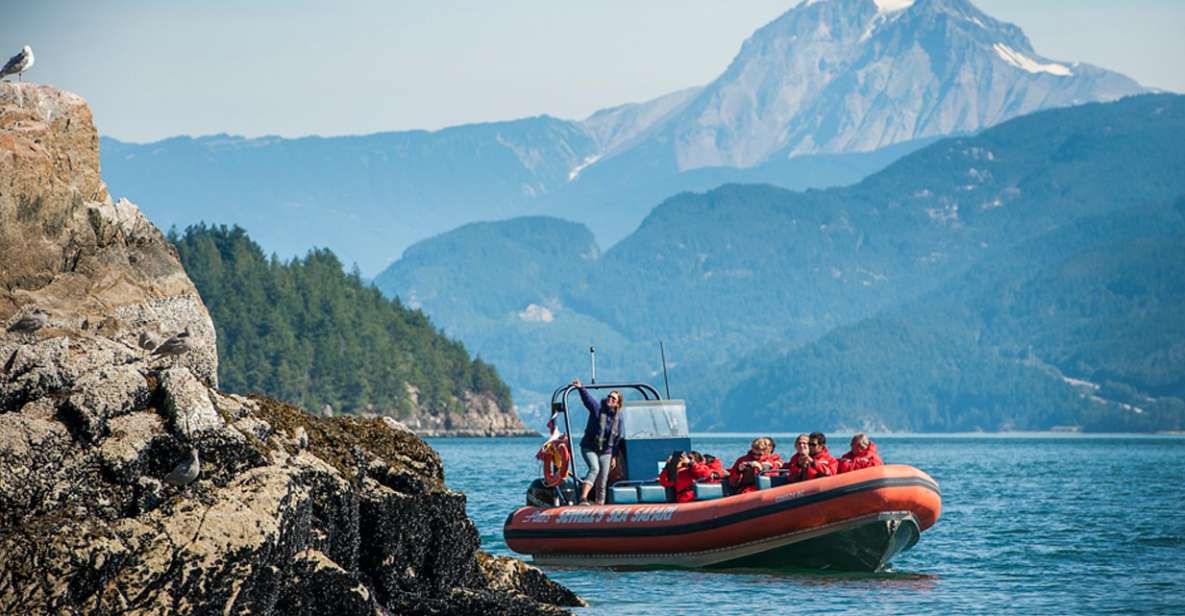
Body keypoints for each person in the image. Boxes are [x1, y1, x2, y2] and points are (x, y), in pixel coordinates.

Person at [572, 378, 623, 505]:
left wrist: (614, 457)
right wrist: (581, 388)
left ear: (618, 404)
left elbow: (616, 440)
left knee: (603, 479)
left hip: (606, 451)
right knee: (595, 468)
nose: (610, 399)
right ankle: (583, 498)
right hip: (589, 447)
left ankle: (600, 504)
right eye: (609, 396)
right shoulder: (598, 408)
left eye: (613, 398)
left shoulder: (619, 419)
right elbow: (588, 400)